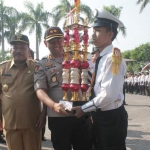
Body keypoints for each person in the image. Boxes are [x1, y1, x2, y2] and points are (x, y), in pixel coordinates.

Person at [72, 9, 128, 150]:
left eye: (98, 30)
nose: (93, 34)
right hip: (99, 115)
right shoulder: (101, 57)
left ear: (110, 34)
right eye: (93, 30)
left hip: (111, 117)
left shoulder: (113, 58)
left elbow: (108, 95)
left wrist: (84, 108)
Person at [34, 26, 91, 150]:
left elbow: (91, 81)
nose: (56, 44)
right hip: (58, 115)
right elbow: (40, 90)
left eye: (59, 40)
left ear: (64, 40)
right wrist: (53, 106)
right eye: (51, 41)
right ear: (45, 43)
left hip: (80, 111)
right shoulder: (42, 64)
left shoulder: (78, 57)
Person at [0, 34, 45, 150]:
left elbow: (44, 92)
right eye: (15, 48)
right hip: (10, 123)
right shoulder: (2, 68)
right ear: (11, 49)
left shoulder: (37, 67)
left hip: (31, 123)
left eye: (22, 48)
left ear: (28, 49)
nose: (18, 51)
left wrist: (44, 115)